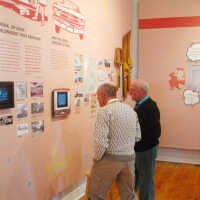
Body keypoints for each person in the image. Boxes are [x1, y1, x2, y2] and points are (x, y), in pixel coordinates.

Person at [88, 83, 141, 200]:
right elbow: (137, 136)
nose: (97, 99)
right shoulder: (131, 110)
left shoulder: (104, 111)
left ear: (104, 95)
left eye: (98, 96)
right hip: (130, 159)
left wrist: (97, 159)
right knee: (129, 195)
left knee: (96, 195)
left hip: (110, 159)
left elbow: (100, 141)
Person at [129, 79, 161, 200]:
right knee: (136, 178)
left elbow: (156, 132)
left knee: (146, 180)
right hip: (139, 149)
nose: (131, 96)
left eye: (132, 92)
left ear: (142, 91)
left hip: (146, 150)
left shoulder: (149, 106)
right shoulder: (140, 105)